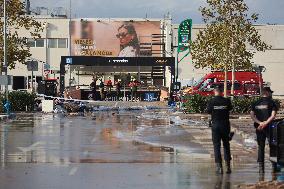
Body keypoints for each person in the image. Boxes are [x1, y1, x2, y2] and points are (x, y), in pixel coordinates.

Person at [250, 87, 278, 173]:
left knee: (261, 147)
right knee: (272, 146)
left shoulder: (255, 103)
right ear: (266, 92)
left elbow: (252, 115)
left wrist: (260, 123)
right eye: (270, 92)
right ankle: (274, 167)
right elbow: (273, 116)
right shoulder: (272, 102)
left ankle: (261, 168)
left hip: (259, 128)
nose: (271, 94)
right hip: (270, 128)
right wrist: (265, 123)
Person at [207, 86, 233, 174]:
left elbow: (208, 111)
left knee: (216, 146)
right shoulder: (227, 101)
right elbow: (230, 108)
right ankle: (228, 166)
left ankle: (219, 167)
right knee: (226, 145)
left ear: (214, 92)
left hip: (215, 125)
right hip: (225, 125)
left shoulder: (211, 101)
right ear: (221, 92)